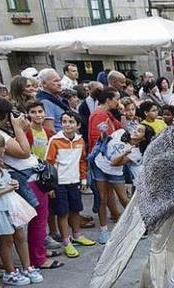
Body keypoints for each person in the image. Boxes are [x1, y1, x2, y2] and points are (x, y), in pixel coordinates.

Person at [0, 132, 42, 286]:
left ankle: (27, 267)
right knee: (7, 240)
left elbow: (5, 182)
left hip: (9, 204)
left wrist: (12, 184)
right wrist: (6, 189)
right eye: (2, 147)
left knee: (20, 236)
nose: (5, 149)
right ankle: (10, 272)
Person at [46, 111, 94, 259]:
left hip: (74, 181)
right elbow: (49, 163)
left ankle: (77, 236)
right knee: (63, 213)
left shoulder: (80, 141)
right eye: (65, 121)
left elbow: (82, 161)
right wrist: (51, 186)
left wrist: (83, 179)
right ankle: (67, 242)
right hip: (60, 183)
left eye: (71, 122)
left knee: (76, 210)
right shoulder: (55, 140)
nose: (67, 125)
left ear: (78, 125)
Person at [88, 87, 124, 244]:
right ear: (108, 100)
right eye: (116, 98)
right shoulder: (99, 115)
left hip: (111, 160)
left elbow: (121, 129)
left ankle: (121, 219)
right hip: (101, 161)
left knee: (118, 195)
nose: (118, 102)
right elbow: (99, 141)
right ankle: (104, 230)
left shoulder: (107, 113)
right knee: (103, 196)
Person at [36, 68, 68, 133]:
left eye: (59, 80)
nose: (59, 84)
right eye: (55, 81)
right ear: (44, 84)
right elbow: (49, 129)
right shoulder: (45, 102)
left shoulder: (59, 98)